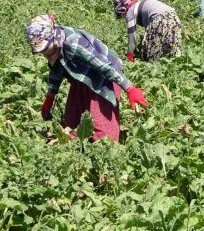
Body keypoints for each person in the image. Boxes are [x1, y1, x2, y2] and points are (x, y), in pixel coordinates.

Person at [25, 14, 149, 143]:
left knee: (101, 125)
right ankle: (76, 148)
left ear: (52, 37)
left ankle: (105, 151)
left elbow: (103, 66)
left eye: (46, 50)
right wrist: (50, 96)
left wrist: (129, 88)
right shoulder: (54, 47)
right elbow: (56, 70)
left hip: (104, 76)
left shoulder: (74, 44)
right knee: (72, 120)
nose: (45, 54)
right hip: (81, 77)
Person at [113, 0, 182, 62]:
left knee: (150, 56)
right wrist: (140, 45)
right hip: (174, 17)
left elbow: (132, 40)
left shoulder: (130, 12)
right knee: (172, 51)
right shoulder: (141, 5)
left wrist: (130, 57)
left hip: (160, 19)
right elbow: (151, 35)